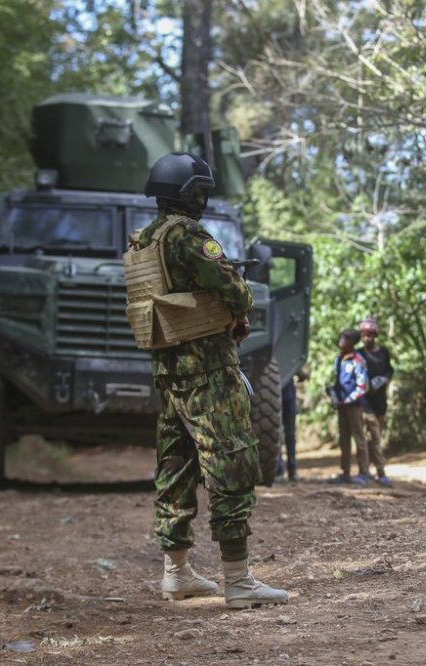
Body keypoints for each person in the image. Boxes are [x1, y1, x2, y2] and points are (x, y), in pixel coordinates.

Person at [122, 151, 287, 608]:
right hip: (209, 371)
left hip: (169, 373)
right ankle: (238, 580)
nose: (204, 198)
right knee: (231, 460)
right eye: (200, 190)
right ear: (187, 193)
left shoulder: (144, 241)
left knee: (175, 467)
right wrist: (238, 304)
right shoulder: (189, 236)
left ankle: (177, 574)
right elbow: (233, 289)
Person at [330, 328, 371, 485]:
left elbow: (363, 386)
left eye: (346, 338)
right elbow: (337, 383)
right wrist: (333, 395)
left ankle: (364, 473)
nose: (342, 340)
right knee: (344, 440)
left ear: (352, 343)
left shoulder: (358, 360)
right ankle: (345, 472)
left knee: (359, 439)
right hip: (341, 407)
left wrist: (347, 400)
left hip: (354, 406)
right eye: (341, 336)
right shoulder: (338, 360)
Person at [358, 318, 393, 487]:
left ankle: (372, 471)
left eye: (369, 335)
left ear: (375, 335)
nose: (366, 338)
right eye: (364, 335)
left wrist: (384, 379)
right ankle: (375, 472)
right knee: (370, 439)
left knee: (375, 439)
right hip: (365, 404)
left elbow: (389, 370)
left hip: (380, 403)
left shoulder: (384, 352)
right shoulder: (359, 354)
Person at [276, 378, 300, 482]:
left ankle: (291, 470)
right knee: (278, 436)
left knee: (289, 436)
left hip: (287, 397)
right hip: (275, 399)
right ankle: (280, 470)